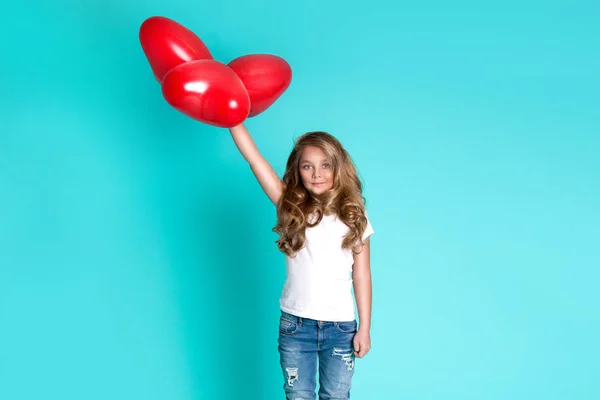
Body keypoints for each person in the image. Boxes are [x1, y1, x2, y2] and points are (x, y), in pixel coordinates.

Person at [228, 123, 374, 399]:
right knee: (298, 396)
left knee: (336, 396)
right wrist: (233, 120)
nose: (317, 174)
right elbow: (255, 160)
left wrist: (364, 328)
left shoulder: (355, 216)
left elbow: (363, 275)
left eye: (325, 165)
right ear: (298, 170)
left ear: (338, 167)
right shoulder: (289, 205)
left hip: (341, 329)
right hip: (296, 326)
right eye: (307, 166)